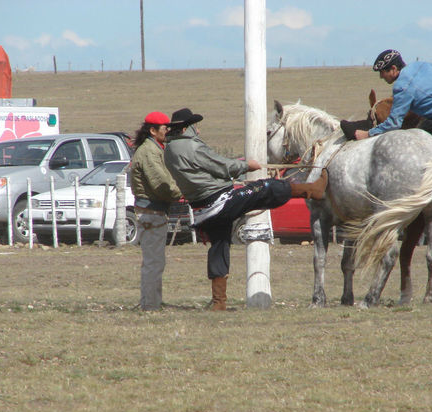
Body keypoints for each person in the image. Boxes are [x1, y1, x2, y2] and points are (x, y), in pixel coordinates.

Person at [164, 108, 328, 311]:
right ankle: (313, 190)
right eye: (194, 126)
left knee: (219, 246)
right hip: (219, 201)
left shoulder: (169, 151)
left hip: (202, 210)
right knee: (265, 187)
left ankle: (219, 302)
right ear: (186, 127)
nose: (197, 130)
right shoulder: (191, 146)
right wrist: (245, 166)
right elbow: (220, 165)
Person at [353, 49, 432, 142]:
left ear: (393, 69)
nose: (381, 77)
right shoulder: (422, 65)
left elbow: (394, 123)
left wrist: (368, 134)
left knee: (420, 151)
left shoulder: (401, 86)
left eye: (382, 72)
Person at [130, 111, 182, 311]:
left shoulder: (150, 149)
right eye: (164, 128)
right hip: (152, 212)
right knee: (154, 262)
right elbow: (161, 182)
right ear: (153, 130)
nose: (167, 131)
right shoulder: (150, 152)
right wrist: (179, 193)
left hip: (151, 212)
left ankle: (151, 302)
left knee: (154, 261)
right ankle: (150, 305)